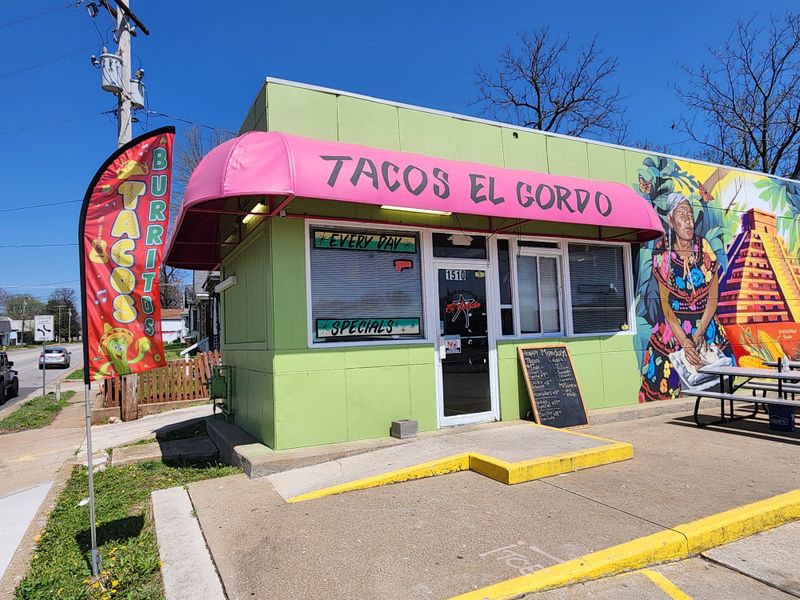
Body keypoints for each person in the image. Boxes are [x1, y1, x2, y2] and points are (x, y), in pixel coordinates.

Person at [640, 192, 734, 401]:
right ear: (670, 221)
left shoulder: (704, 248)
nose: (688, 221)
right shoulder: (662, 255)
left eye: (690, 214)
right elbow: (666, 307)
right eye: (681, 215)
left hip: (706, 326)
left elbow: (713, 298)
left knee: (720, 383)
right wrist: (685, 341)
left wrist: (699, 332)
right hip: (674, 330)